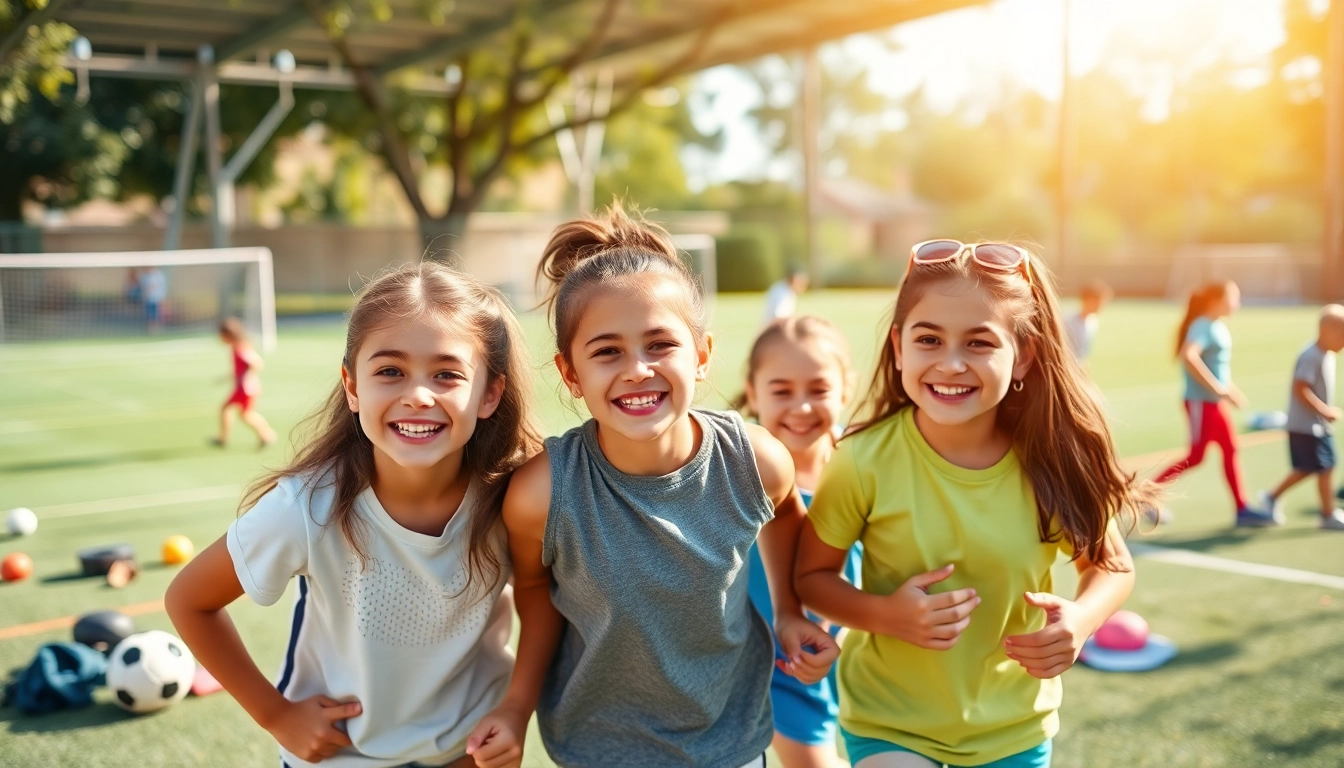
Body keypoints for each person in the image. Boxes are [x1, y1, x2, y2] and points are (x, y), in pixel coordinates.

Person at [464, 204, 839, 768]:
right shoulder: (543, 493)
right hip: (597, 751)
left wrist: (788, 610)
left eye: (660, 344)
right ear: (570, 374)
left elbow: (785, 511)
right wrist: (517, 705)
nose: (637, 368)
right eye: (607, 351)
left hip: (731, 743)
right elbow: (535, 591)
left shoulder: (755, 460)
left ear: (702, 356)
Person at [795, 239, 1157, 768]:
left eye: (979, 343)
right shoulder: (862, 459)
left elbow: (1111, 566)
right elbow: (811, 579)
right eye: (929, 339)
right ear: (899, 347)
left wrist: (1081, 620)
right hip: (890, 721)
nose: (950, 364)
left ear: (1024, 355)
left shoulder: (1051, 461)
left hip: (1013, 728)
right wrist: (888, 616)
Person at [165, 262, 542, 768]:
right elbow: (188, 600)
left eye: (447, 374)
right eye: (390, 371)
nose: (417, 395)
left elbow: (538, 591)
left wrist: (517, 709)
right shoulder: (305, 508)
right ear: (352, 386)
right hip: (344, 755)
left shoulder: (514, 494)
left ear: (489, 394)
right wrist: (275, 715)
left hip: (467, 750)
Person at [736, 316, 861, 768]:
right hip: (774, 666)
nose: (801, 407)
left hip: (853, 652)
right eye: (782, 391)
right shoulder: (743, 471)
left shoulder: (864, 464)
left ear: (846, 389)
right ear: (753, 392)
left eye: (819, 389)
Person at [1153, 281, 1278, 527]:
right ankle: (1147, 496)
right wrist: (1218, 389)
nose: (1237, 304)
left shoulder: (1218, 326)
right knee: (1196, 456)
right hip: (1201, 403)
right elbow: (1189, 356)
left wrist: (1230, 391)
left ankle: (1241, 508)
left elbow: (1218, 368)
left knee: (1230, 450)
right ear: (1215, 301)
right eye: (1234, 298)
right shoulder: (1202, 325)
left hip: (1215, 404)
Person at [1259, 305, 1344, 531]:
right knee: (1311, 468)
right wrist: (1324, 410)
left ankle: (1325, 512)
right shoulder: (1312, 355)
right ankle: (1273, 497)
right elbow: (1300, 388)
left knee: (1325, 466)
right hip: (1306, 425)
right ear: (1326, 330)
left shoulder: (1327, 354)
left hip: (1318, 425)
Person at [211, 318, 278, 449]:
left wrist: (247, 378)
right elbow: (239, 370)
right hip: (245, 388)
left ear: (228, 335)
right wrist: (226, 378)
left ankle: (265, 434)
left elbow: (257, 363)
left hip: (245, 389)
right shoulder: (237, 347)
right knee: (243, 413)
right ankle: (265, 435)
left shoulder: (240, 348)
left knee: (241, 413)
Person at [1063, 280, 1112, 364]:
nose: (1102, 306)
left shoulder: (1093, 321)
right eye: (1100, 302)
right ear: (1089, 300)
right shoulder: (1067, 322)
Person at [140, 266, 167, 333]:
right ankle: (153, 328)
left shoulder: (155, 275)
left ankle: (154, 328)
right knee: (152, 313)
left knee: (153, 313)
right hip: (153, 298)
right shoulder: (153, 275)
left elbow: (152, 285)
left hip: (153, 298)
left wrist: (146, 293)